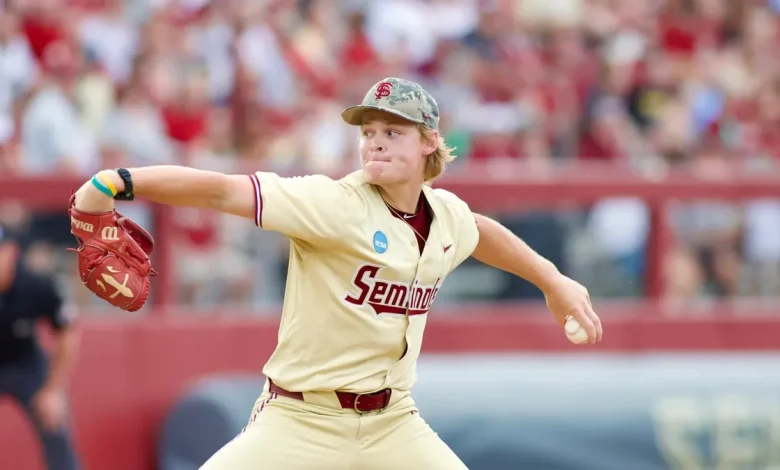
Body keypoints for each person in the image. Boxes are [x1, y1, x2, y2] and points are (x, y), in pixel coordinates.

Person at [71, 77, 602, 469]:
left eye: (393, 131)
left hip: (393, 422)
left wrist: (553, 280)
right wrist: (117, 181)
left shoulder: (445, 216)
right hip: (302, 420)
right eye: (369, 131)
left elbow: (481, 231)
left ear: (429, 143)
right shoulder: (332, 203)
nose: (375, 141)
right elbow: (221, 189)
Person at [0, 225, 81, 470]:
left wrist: (54, 390)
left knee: (53, 419)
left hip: (26, 366)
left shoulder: (35, 285)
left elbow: (67, 330)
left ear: (10, 252)